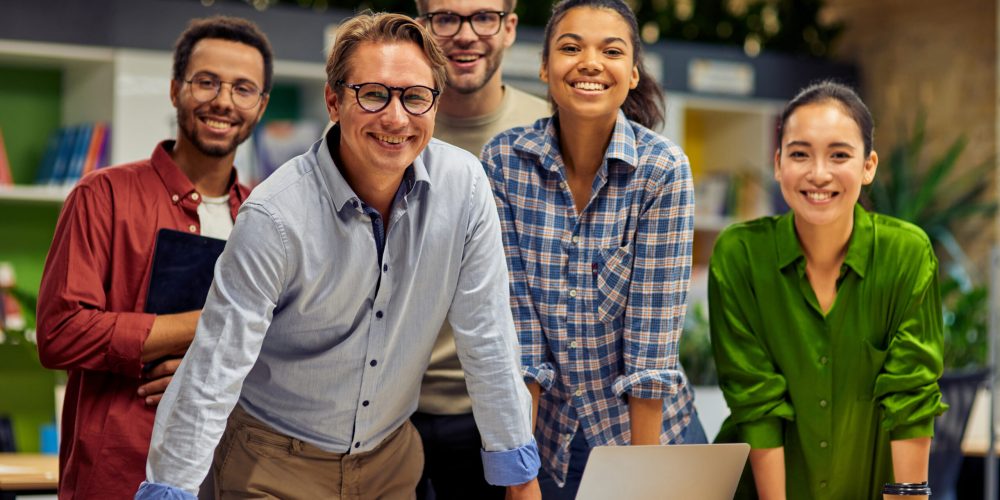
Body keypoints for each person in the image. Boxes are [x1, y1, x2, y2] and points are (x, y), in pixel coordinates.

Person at [136, 12, 541, 500]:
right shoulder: (275, 215)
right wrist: (170, 491)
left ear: (435, 105)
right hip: (271, 462)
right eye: (373, 94)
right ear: (334, 100)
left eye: (415, 97)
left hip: (389, 461)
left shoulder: (466, 186)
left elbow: (489, 336)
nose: (396, 118)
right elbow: (214, 367)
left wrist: (519, 478)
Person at [35, 16, 271, 499]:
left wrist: (201, 370)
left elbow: (280, 351)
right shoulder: (102, 195)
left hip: (227, 476)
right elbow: (59, 333)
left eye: (243, 88)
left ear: (261, 105)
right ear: (174, 90)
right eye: (206, 82)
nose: (224, 101)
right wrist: (208, 325)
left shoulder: (266, 217)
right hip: (118, 474)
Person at [481, 1, 706, 498]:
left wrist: (640, 483)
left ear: (631, 74)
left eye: (611, 50)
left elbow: (652, 348)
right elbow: (519, 334)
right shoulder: (503, 161)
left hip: (651, 436)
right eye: (570, 47)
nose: (589, 62)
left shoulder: (662, 169)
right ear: (544, 67)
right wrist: (521, 478)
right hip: (546, 438)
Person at [708, 81, 947, 499]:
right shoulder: (740, 255)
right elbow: (756, 404)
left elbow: (911, 398)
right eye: (800, 154)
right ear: (778, 163)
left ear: (868, 166)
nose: (819, 174)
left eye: (839, 155)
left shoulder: (906, 254)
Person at [412, 1, 548, 498]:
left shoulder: (550, 130)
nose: (465, 35)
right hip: (388, 409)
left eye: (484, 17)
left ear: (509, 27)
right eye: (446, 18)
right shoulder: (383, 128)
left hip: (506, 408)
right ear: (423, 26)